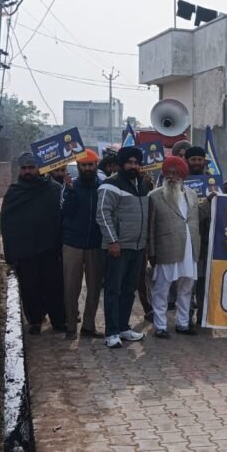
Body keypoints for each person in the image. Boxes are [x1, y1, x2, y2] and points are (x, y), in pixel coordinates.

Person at [0, 153, 66, 335]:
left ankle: (59, 320)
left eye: (31, 167)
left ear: (40, 168)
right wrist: (11, 252)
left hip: (50, 248)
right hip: (26, 250)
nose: (27, 171)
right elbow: (7, 223)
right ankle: (35, 321)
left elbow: (62, 217)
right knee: (30, 287)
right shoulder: (14, 193)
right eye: (24, 168)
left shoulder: (54, 189)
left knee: (54, 286)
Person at [96, 146, 149, 348]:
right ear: (121, 164)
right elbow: (102, 214)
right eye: (129, 162)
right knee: (113, 290)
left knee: (129, 289)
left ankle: (123, 327)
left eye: (136, 163)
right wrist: (112, 241)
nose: (133, 166)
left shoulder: (142, 186)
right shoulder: (110, 185)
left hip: (138, 247)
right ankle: (111, 332)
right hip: (117, 247)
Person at [147, 156, 200, 338]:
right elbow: (150, 228)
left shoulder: (192, 194)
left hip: (189, 249)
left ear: (182, 176)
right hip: (166, 249)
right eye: (169, 173)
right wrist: (151, 252)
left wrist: (212, 200)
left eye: (176, 173)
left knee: (186, 288)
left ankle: (183, 323)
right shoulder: (154, 196)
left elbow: (197, 217)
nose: (171, 177)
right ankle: (160, 326)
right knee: (162, 289)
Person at [60, 149, 105, 340]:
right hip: (73, 244)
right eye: (84, 165)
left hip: (96, 244)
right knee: (71, 288)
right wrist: (70, 191)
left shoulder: (103, 187)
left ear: (96, 165)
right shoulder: (70, 186)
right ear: (78, 167)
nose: (87, 168)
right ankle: (71, 326)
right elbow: (66, 214)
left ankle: (88, 326)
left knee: (94, 287)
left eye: (90, 165)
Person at [185, 146, 212, 325]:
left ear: (204, 161)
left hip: (208, 240)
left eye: (199, 159)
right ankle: (185, 317)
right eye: (193, 159)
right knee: (188, 282)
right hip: (187, 239)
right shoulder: (180, 182)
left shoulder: (213, 182)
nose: (196, 163)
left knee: (204, 281)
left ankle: (203, 317)